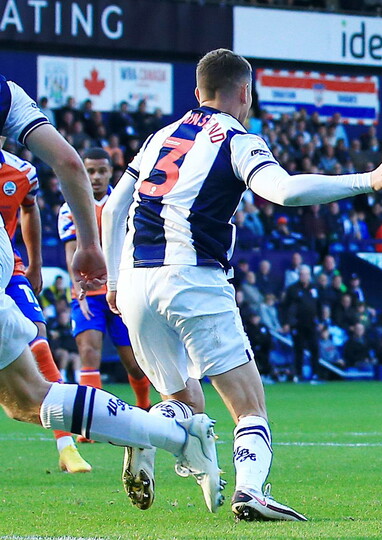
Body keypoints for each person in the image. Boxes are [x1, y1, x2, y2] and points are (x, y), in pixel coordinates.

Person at [100, 49, 382, 521]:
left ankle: (144, 432)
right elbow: (285, 191)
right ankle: (250, 492)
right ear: (245, 93)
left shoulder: (158, 137)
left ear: (196, 92)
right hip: (191, 277)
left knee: (184, 402)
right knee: (248, 406)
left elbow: (110, 209)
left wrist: (111, 281)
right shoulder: (236, 137)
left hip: (133, 281)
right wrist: (368, 180)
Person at [0, 73, 221, 510]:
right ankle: (168, 434)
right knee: (26, 398)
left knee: (38, 390)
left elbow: (65, 172)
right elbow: (67, 162)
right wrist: (88, 245)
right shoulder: (6, 92)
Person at [0, 149, 91, 471]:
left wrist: (35, 263)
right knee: (14, 402)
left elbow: (29, 210)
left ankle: (67, 446)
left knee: (39, 338)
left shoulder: (21, 172)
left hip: (9, 269)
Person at [59, 148, 153, 417]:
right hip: (88, 293)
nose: (96, 177)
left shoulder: (125, 204)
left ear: (111, 172)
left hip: (121, 290)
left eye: (101, 171)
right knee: (88, 352)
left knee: (133, 362)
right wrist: (79, 290)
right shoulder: (71, 207)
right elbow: (70, 253)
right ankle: (92, 419)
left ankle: (144, 407)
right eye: (90, 171)